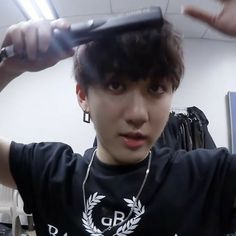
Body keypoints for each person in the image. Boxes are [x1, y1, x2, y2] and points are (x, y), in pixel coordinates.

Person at [0, 1, 236, 235]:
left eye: (155, 89)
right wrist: (6, 69)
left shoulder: (207, 179)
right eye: (116, 85)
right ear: (83, 96)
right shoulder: (49, 172)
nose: (137, 115)